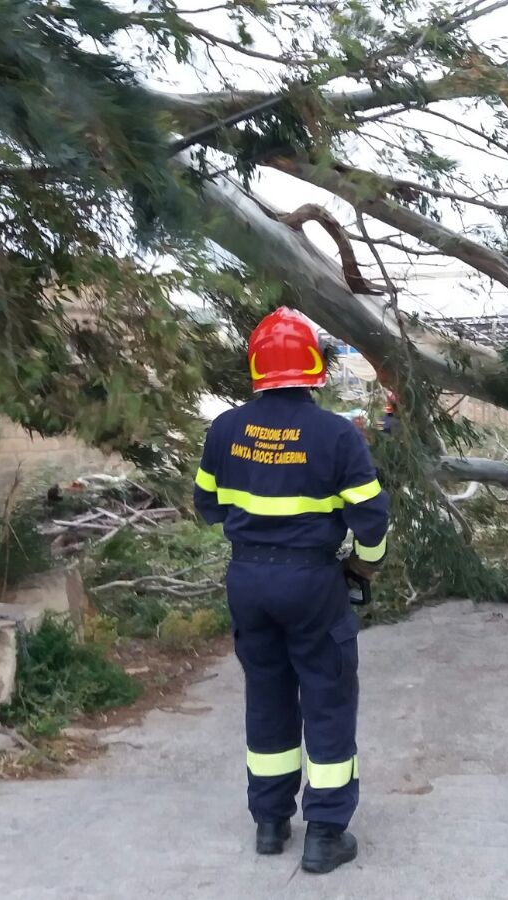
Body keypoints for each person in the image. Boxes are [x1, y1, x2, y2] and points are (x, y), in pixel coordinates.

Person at [193, 306, 390, 874]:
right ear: (314, 369)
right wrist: (364, 568)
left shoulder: (225, 429)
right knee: (327, 699)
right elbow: (372, 521)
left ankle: (270, 822)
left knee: (267, 696)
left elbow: (207, 506)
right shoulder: (336, 434)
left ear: (257, 367)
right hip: (312, 582)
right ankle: (325, 833)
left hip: (248, 580)